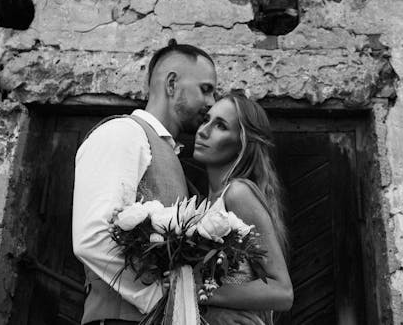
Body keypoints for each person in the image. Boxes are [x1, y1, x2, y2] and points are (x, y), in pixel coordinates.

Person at [72, 42, 264, 325]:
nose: (211, 102)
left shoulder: (167, 153)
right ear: (172, 83)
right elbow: (92, 237)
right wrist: (162, 299)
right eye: (206, 89)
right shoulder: (123, 134)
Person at [191, 93, 293, 323]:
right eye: (206, 120)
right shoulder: (205, 204)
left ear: (242, 143)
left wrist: (197, 291)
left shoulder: (238, 193)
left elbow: (282, 292)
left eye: (220, 126)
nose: (203, 131)